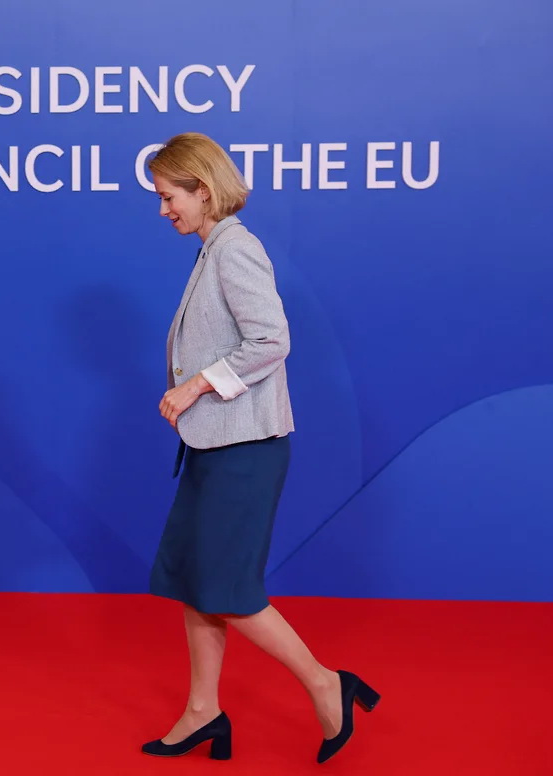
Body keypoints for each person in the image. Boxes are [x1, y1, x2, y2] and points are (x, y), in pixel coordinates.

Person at [140, 132, 379, 765]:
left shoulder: (235, 249)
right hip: (215, 445)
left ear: (202, 189)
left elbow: (272, 340)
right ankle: (204, 710)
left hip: (244, 451)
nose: (163, 210)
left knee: (227, 588)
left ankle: (326, 684)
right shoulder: (212, 249)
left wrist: (195, 385)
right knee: (197, 581)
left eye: (168, 197)